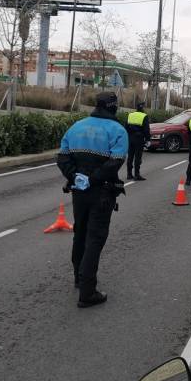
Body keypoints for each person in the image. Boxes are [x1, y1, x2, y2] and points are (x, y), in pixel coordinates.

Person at [57, 92, 128, 308]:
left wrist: (75, 177)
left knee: (80, 233)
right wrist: (93, 179)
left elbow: (62, 157)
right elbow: (115, 162)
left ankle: (79, 278)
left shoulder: (76, 126)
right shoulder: (117, 130)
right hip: (102, 192)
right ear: (113, 107)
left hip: (79, 192)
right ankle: (87, 292)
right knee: (95, 239)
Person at [125, 102, 150, 181]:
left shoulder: (130, 115)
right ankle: (137, 175)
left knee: (130, 156)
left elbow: (126, 127)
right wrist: (148, 139)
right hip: (139, 139)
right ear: (142, 108)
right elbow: (146, 129)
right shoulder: (144, 116)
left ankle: (129, 174)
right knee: (138, 157)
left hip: (130, 138)